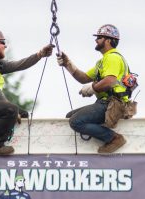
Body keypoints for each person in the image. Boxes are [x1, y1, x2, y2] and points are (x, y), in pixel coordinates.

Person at [57, 23, 132, 154]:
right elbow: (84, 77)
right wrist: (67, 64)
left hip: (112, 103)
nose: (96, 40)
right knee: (70, 116)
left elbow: (110, 81)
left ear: (108, 40)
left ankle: (114, 138)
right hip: (105, 102)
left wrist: (93, 88)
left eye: (99, 37)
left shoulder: (112, 58)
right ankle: (102, 132)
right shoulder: (103, 61)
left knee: (76, 122)